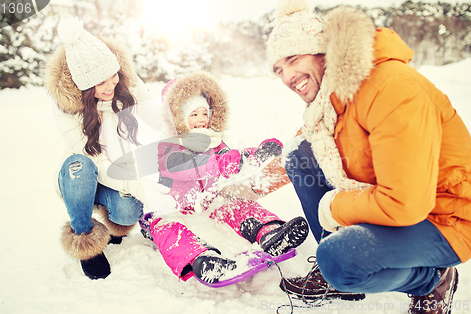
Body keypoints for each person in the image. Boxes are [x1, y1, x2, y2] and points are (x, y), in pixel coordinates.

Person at [266, 0, 471, 312]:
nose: (287, 77)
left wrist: (334, 207)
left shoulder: (391, 87)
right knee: (300, 153)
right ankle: (338, 266)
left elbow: (405, 203)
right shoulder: (331, 100)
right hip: (398, 204)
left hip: (445, 217)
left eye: (293, 59)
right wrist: (241, 187)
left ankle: (434, 279)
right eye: (279, 69)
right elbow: (298, 153)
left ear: (322, 51)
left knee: (340, 258)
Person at [139, 72, 309, 284]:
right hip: (174, 211)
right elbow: (192, 167)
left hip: (209, 204)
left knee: (237, 206)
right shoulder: (168, 147)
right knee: (168, 231)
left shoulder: (213, 141)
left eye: (204, 113)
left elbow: (230, 159)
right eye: (193, 115)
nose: (201, 119)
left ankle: (270, 233)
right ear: (178, 118)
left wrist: (255, 154)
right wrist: (225, 163)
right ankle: (204, 260)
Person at [44, 18, 164, 280]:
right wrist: (131, 184)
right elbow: (90, 156)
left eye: (114, 76)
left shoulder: (126, 83)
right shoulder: (65, 105)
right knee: (81, 166)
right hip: (82, 172)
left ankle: (109, 214)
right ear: (85, 86)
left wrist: (186, 113)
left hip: (115, 170)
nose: (111, 86)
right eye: (101, 82)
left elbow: (157, 117)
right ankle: (85, 240)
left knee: (128, 213)